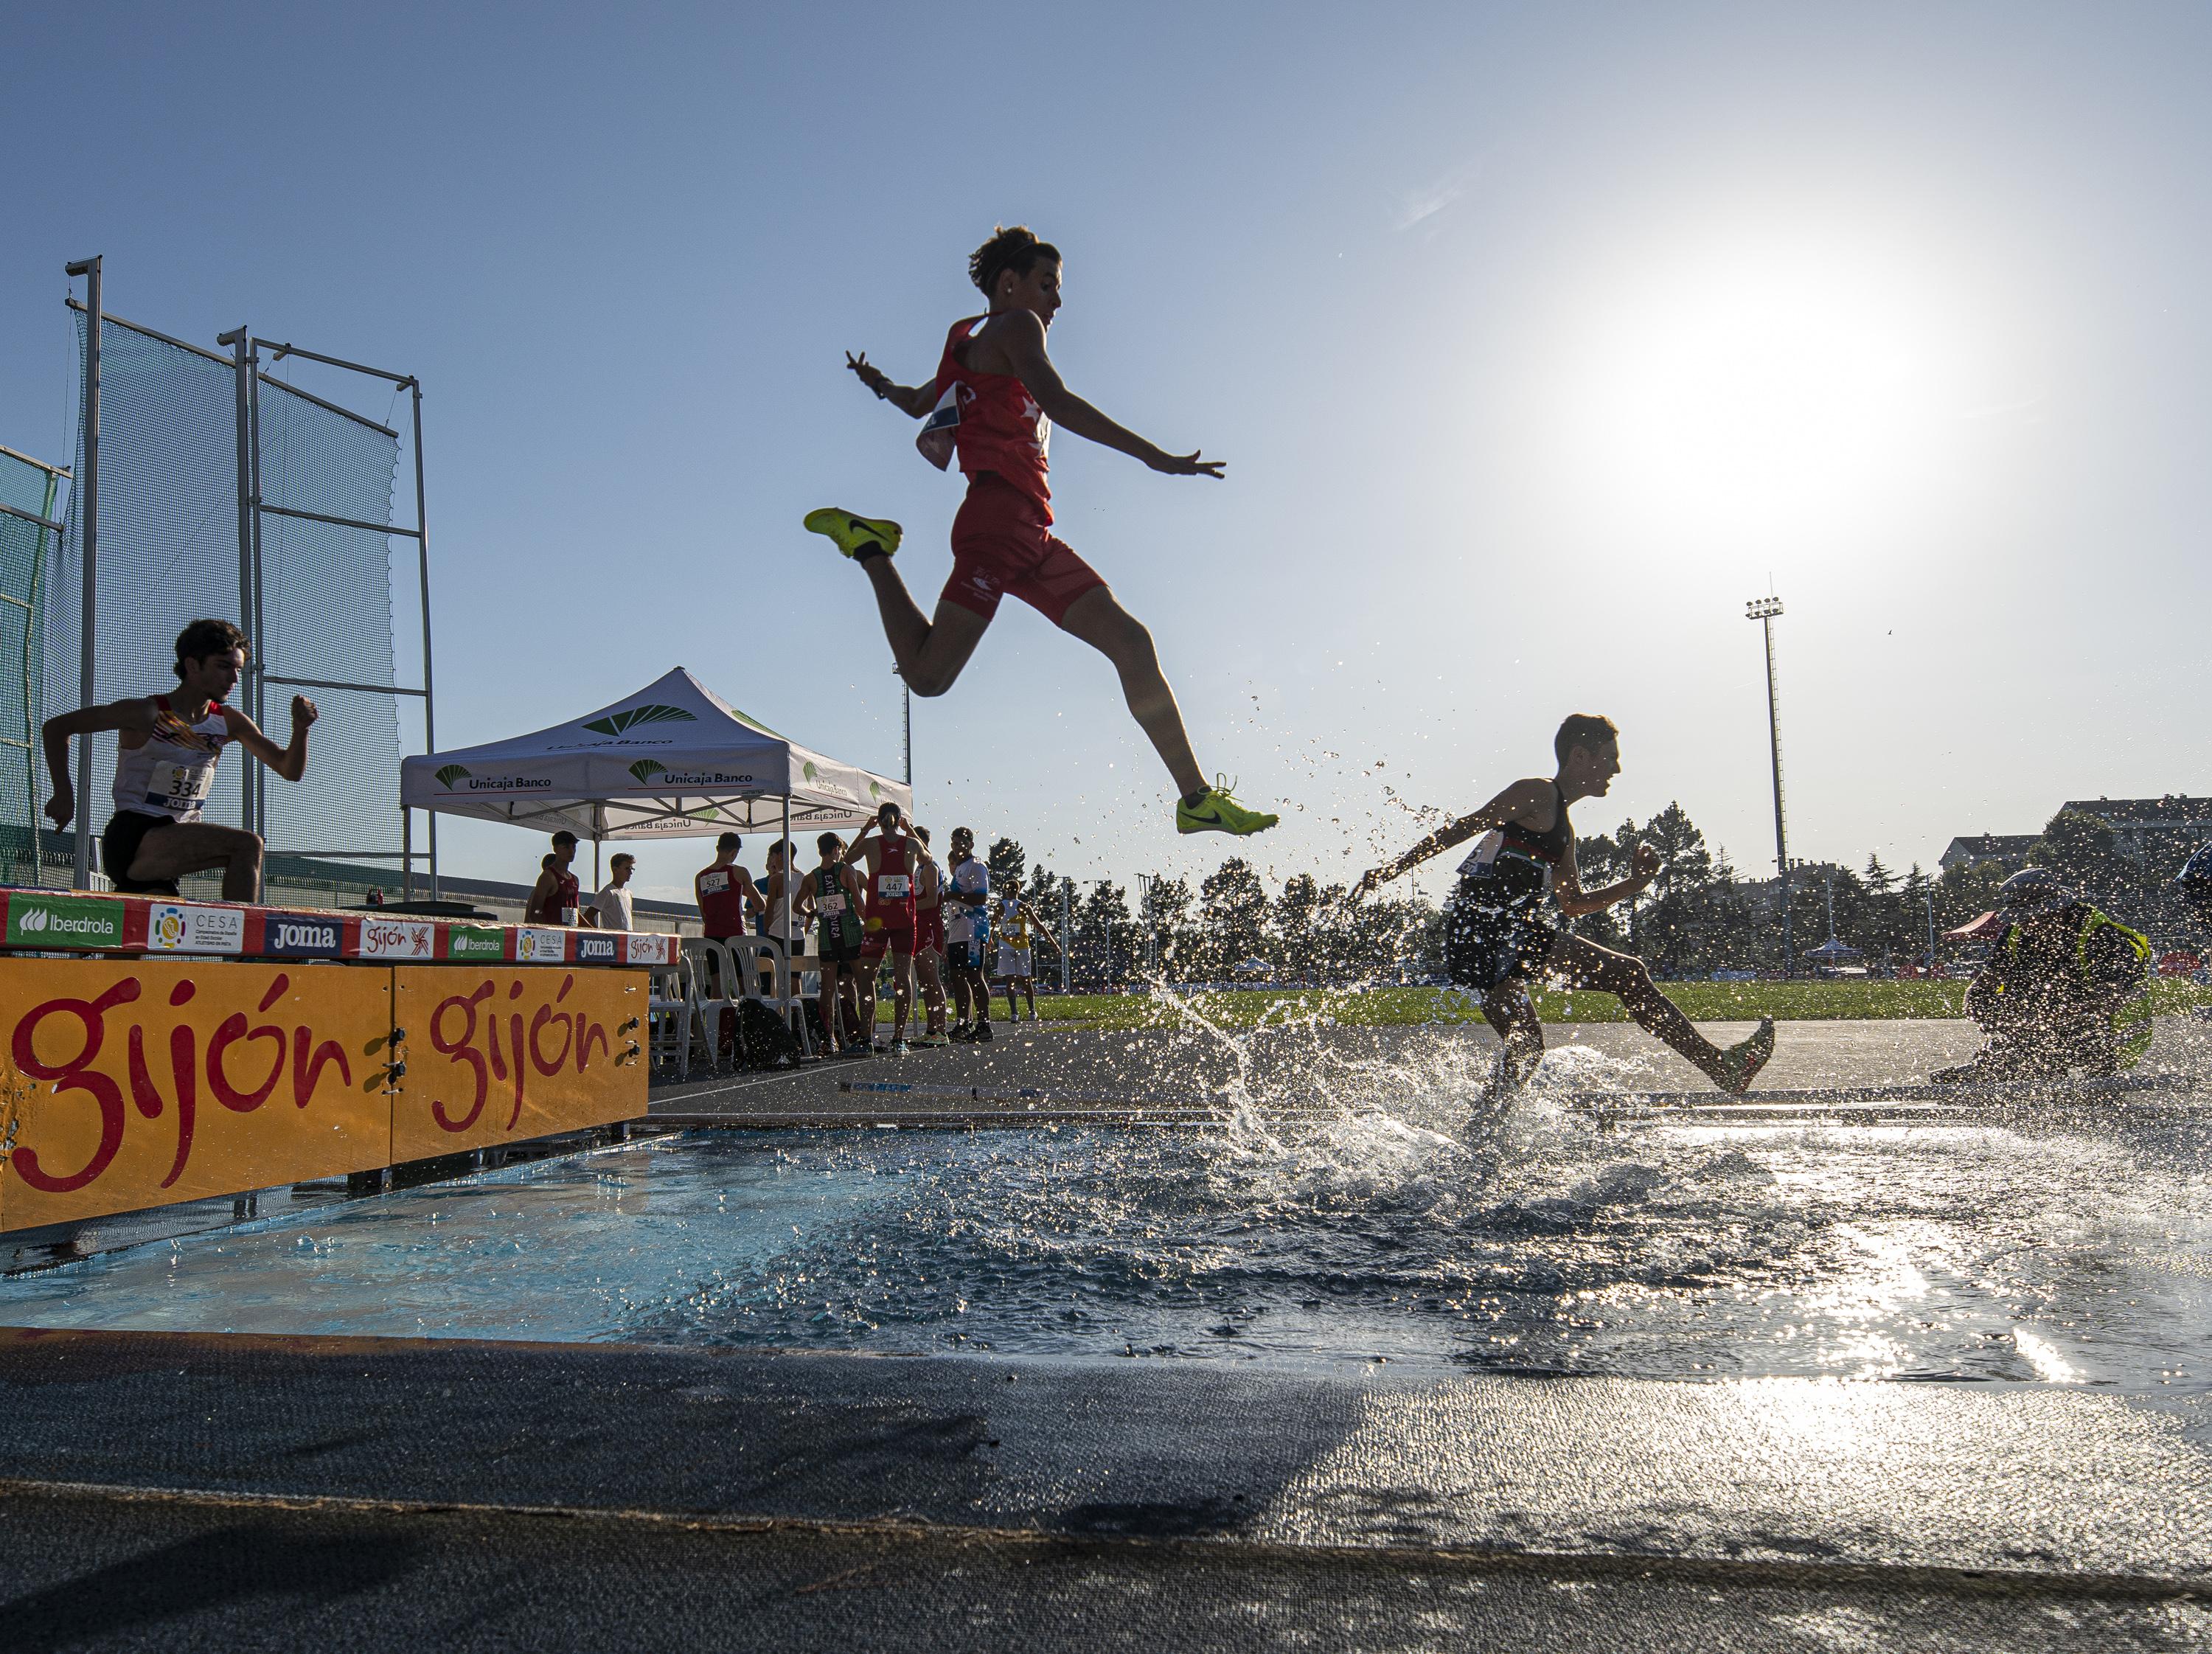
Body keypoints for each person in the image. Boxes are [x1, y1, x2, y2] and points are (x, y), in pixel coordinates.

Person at [809, 224, 1277, 841]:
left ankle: (1195, 799)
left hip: (1031, 529)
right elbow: (1055, 399)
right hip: (997, 524)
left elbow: (918, 401)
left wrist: (875, 383)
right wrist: (1153, 456)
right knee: (926, 677)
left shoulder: (964, 342)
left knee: (1132, 644)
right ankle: (870, 547)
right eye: (1047, 284)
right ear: (1010, 284)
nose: (1056, 302)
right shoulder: (1013, 327)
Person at [1355, 714, 1775, 1097]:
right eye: (1610, 757)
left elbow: (1572, 904)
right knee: (1621, 979)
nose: (1617, 769)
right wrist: (1391, 870)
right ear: (1580, 755)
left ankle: (1480, 1141)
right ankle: (1721, 1067)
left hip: (1505, 935)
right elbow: (1468, 826)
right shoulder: (1537, 793)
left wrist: (1636, 883)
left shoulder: (1564, 830)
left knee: (1529, 1047)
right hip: (1484, 935)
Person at [40, 617, 317, 901]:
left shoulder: (229, 722)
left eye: (238, 670)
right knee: (247, 845)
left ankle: (93, 932)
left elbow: (288, 769)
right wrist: (63, 793)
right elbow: (57, 728)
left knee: (146, 937)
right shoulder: (147, 713)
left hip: (176, 840)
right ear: (193, 665)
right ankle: (241, 944)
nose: (233, 679)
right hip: (135, 834)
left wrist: (301, 731)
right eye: (223, 667)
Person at [1933, 867, 2153, 1083]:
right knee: (2011, 1040)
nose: (2028, 924)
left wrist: (2039, 1023)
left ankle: (2045, 1063)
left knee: (2046, 1056)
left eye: (2034, 917)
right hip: (2046, 1028)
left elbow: (2108, 1000)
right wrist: (1984, 1012)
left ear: (2058, 909)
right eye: (2022, 918)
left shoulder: (2101, 935)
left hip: (2111, 1033)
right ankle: (2013, 1061)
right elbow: (1983, 986)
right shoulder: (2017, 933)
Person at [849, 802, 922, 1054]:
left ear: (878, 821)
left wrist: (864, 830)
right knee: (902, 978)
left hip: (877, 921)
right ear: (899, 820)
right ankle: (898, 1038)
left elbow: (846, 860)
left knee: (867, 978)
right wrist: (909, 829)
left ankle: (865, 1038)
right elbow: (929, 858)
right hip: (903, 921)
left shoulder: (871, 844)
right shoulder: (911, 844)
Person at [810, 833, 869, 1057]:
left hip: (835, 936)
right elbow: (859, 901)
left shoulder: (815, 877)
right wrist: (869, 922)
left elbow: (866, 895)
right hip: (849, 935)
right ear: (837, 850)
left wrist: (813, 912)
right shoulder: (846, 871)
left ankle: (843, 1033)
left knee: (843, 984)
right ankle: (856, 1032)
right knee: (852, 982)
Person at [942, 827, 993, 1042]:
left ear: (971, 844)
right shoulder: (960, 868)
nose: (958, 847)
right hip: (956, 931)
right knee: (957, 977)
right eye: (954, 843)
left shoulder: (977, 866)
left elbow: (981, 899)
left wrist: (953, 895)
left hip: (973, 929)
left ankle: (984, 1024)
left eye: (962, 843)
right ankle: (964, 1022)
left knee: (974, 976)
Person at [993, 874, 1062, 1024]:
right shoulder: (1024, 906)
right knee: (1026, 980)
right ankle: (1031, 1012)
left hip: (1005, 945)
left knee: (1010, 980)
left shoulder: (1000, 906)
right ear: (1018, 890)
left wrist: (989, 939)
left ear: (1006, 891)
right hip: (1022, 945)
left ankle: (1014, 1013)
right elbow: (1039, 926)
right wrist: (1054, 943)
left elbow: (992, 924)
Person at [910, 824, 950, 1047]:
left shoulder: (930, 868)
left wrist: (908, 907)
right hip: (919, 927)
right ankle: (932, 1029)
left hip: (930, 928)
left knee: (932, 980)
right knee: (925, 982)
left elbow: (933, 900)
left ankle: (941, 1030)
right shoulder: (917, 869)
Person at [525, 832, 584, 925]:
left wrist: (594, 931)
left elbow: (575, 913)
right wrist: (550, 933)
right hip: (554, 935)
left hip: (571, 935)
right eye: (566, 847)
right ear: (555, 849)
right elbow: (535, 913)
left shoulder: (575, 880)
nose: (571, 851)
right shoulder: (548, 877)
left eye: (573, 847)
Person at [591, 852, 638, 933]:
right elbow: (589, 915)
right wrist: (597, 934)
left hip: (627, 939)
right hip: (614, 941)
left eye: (632, 869)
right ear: (615, 870)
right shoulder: (607, 892)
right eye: (627, 869)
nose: (630, 872)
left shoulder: (628, 893)